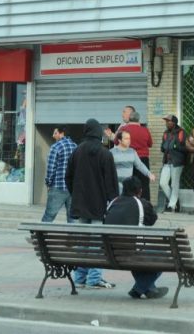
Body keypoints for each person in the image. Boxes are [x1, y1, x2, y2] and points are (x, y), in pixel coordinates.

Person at [65, 118, 119, 289]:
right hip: (98, 205)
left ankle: (80, 278)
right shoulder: (104, 153)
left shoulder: (77, 151)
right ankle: (94, 278)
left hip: (80, 205)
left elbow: (68, 177)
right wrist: (113, 200)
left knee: (83, 241)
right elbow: (111, 182)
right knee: (96, 242)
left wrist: (76, 194)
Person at [104, 177, 169, 300]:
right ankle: (139, 288)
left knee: (137, 252)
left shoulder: (113, 202)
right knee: (166, 256)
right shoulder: (141, 203)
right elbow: (151, 220)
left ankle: (149, 288)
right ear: (139, 191)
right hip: (129, 253)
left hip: (110, 253)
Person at [41, 125, 76, 223]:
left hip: (58, 186)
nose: (53, 135)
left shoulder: (55, 147)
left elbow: (51, 168)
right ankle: (73, 237)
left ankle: (41, 236)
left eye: (55, 133)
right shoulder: (75, 146)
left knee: (49, 216)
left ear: (62, 133)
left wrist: (48, 183)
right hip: (72, 188)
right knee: (72, 218)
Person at [159, 115, 187, 212]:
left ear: (174, 122)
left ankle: (171, 206)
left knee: (174, 184)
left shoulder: (181, 132)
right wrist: (164, 147)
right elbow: (162, 148)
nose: (167, 123)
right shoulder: (166, 133)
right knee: (163, 183)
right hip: (167, 161)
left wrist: (174, 146)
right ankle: (175, 201)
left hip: (177, 161)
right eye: (166, 121)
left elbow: (184, 148)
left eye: (168, 121)